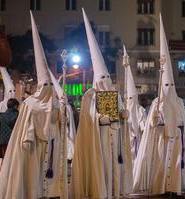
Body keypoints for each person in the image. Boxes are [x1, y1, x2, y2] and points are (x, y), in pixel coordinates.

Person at [0, 12, 68, 199]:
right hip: (34, 147)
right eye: (46, 85)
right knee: (34, 177)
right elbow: (26, 127)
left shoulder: (55, 104)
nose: (49, 89)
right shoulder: (29, 103)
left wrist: (63, 112)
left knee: (49, 178)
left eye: (51, 85)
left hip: (52, 145)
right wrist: (28, 138)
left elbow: (62, 123)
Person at [71, 9, 132, 199]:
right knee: (103, 164)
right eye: (102, 77)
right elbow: (88, 118)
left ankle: (115, 191)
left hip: (115, 134)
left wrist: (123, 115)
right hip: (99, 137)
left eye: (108, 76)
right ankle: (101, 191)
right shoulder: (90, 95)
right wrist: (101, 117)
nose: (105, 80)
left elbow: (123, 111)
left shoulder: (115, 94)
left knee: (115, 163)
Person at [133, 14, 185, 197]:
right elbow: (151, 124)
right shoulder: (156, 102)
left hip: (175, 138)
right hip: (161, 138)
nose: (168, 89)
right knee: (161, 163)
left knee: (174, 163)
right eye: (165, 85)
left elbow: (183, 122)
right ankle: (160, 187)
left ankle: (174, 188)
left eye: (170, 85)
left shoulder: (179, 102)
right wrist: (155, 116)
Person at [124, 46, 147, 166]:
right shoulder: (123, 109)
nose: (130, 101)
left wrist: (144, 128)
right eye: (128, 99)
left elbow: (143, 124)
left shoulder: (140, 110)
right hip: (125, 140)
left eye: (132, 99)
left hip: (136, 139)